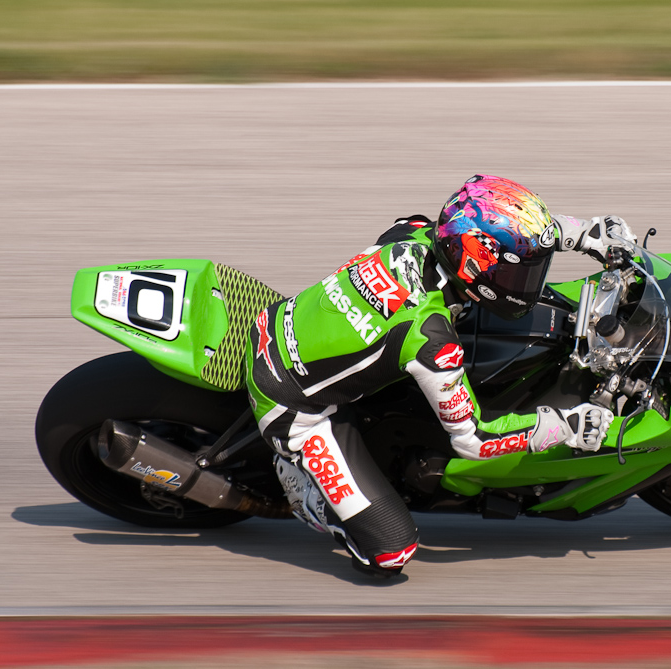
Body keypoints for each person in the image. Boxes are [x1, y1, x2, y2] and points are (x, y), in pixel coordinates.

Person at [244, 174, 637, 577]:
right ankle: (304, 489)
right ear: (472, 266)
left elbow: (514, 236)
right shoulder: (431, 338)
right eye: (518, 276)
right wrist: (565, 427)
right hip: (292, 406)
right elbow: (475, 440)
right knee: (391, 552)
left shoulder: (415, 233)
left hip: (281, 324)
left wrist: (588, 234)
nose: (529, 285)